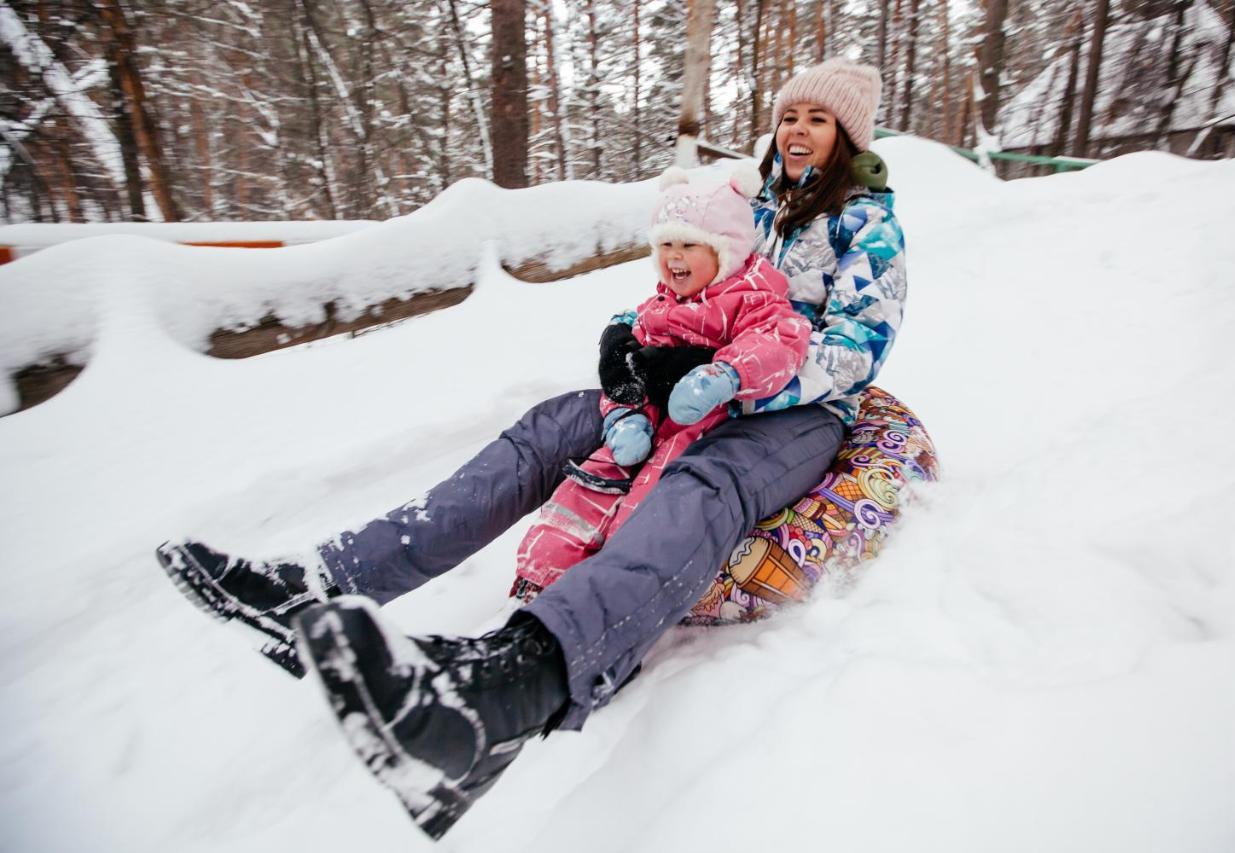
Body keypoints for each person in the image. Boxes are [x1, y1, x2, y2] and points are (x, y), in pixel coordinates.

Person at [155, 57, 906, 839]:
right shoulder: (751, 204)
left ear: (847, 138)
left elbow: (858, 346)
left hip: (797, 412)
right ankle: (319, 583)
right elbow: (684, 288)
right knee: (552, 425)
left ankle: (515, 682)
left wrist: (729, 382)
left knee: (702, 483)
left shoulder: (867, 222)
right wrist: (626, 353)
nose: (796, 132)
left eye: (818, 120)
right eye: (790, 116)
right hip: (691, 386)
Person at [513, 163, 811, 597]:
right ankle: (540, 579)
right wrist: (624, 414)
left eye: (690, 244)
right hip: (649, 418)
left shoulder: (753, 293)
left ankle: (609, 595)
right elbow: (629, 366)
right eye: (666, 243)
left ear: (725, 249)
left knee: (652, 500)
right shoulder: (659, 303)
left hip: (702, 427)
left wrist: (725, 374)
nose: (674, 256)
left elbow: (782, 340)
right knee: (594, 480)